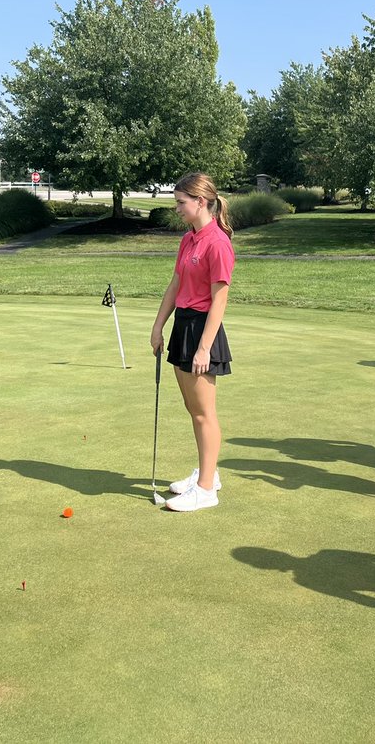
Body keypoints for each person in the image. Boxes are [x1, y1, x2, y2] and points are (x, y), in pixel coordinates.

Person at [150, 172, 235, 512]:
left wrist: (203, 347)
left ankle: (206, 489)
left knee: (204, 413)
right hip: (183, 326)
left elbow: (220, 300)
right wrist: (158, 326)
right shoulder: (188, 240)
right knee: (193, 409)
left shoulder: (218, 243)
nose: (177, 209)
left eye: (181, 203)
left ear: (201, 202)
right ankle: (207, 474)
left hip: (203, 330)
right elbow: (175, 285)